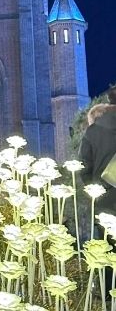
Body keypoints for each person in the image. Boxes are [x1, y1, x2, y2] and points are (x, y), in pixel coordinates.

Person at [79, 92, 116, 300]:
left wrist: (95, 189)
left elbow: (84, 168)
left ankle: (107, 295)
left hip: (105, 201)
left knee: (107, 247)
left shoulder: (94, 132)